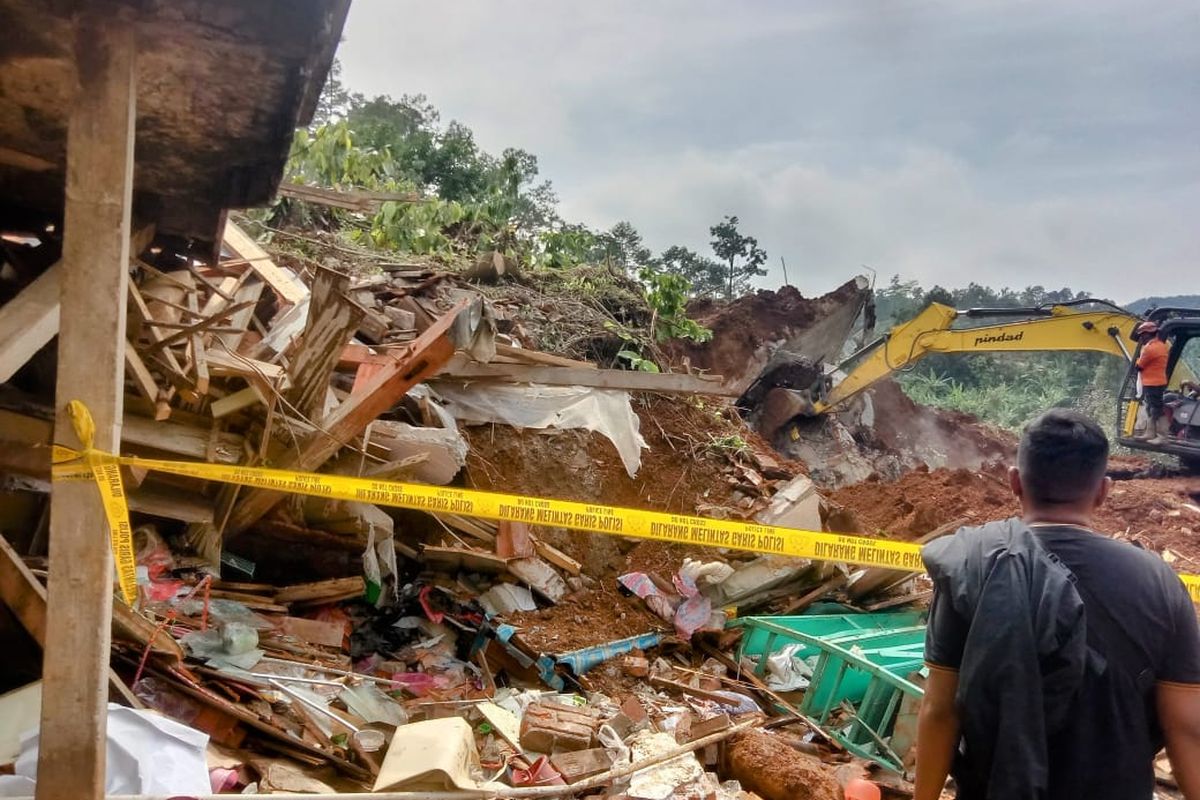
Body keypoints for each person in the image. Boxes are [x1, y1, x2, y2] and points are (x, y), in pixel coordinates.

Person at [913, 409, 1200, 800]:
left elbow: (940, 710)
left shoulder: (972, 565)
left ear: (1015, 482)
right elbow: (1185, 726)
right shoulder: (1160, 581)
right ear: (1103, 491)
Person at [1135, 321, 1171, 442]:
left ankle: (1162, 436)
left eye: (1142, 335)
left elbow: (1139, 366)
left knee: (1157, 409)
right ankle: (1150, 433)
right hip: (1157, 381)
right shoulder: (1161, 345)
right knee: (1151, 407)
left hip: (1152, 383)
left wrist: (1137, 360)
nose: (1141, 338)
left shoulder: (1150, 349)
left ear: (1148, 334)